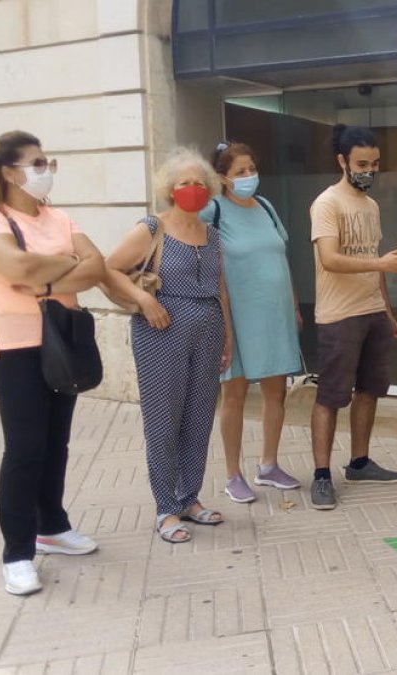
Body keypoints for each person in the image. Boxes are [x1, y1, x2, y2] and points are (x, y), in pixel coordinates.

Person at [0, 131, 105, 595]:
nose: (47, 169)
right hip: (15, 344)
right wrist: (64, 262)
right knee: (24, 449)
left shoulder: (59, 216)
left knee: (56, 443)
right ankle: (18, 552)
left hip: (60, 338)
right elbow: (16, 268)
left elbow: (97, 265)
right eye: (38, 162)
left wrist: (44, 277)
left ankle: (53, 526)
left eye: (49, 161)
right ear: (8, 172)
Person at [104, 147, 232, 544]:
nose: (192, 189)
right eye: (184, 183)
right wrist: (144, 300)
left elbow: (220, 286)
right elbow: (108, 268)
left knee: (198, 416)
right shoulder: (152, 228)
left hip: (207, 327)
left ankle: (189, 497)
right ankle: (165, 507)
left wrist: (227, 332)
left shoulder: (210, 234)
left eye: (199, 183)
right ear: (169, 189)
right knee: (163, 419)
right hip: (161, 329)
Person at [308, 124, 397, 510]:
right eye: (361, 164)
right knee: (331, 397)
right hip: (338, 315)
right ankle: (321, 475)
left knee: (370, 390)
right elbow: (330, 259)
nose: (369, 170)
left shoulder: (370, 206)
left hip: (372, 312)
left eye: (374, 164)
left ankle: (359, 461)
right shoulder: (327, 204)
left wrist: (387, 312)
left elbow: (374, 266)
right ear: (342, 161)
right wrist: (381, 262)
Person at [202, 142, 303, 503]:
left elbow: (282, 256)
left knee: (277, 390)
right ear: (223, 177)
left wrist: (293, 305)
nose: (249, 177)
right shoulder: (212, 211)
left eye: (252, 169)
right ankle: (232, 474)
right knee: (235, 393)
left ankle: (269, 465)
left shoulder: (266, 207)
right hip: (236, 318)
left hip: (275, 314)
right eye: (240, 171)